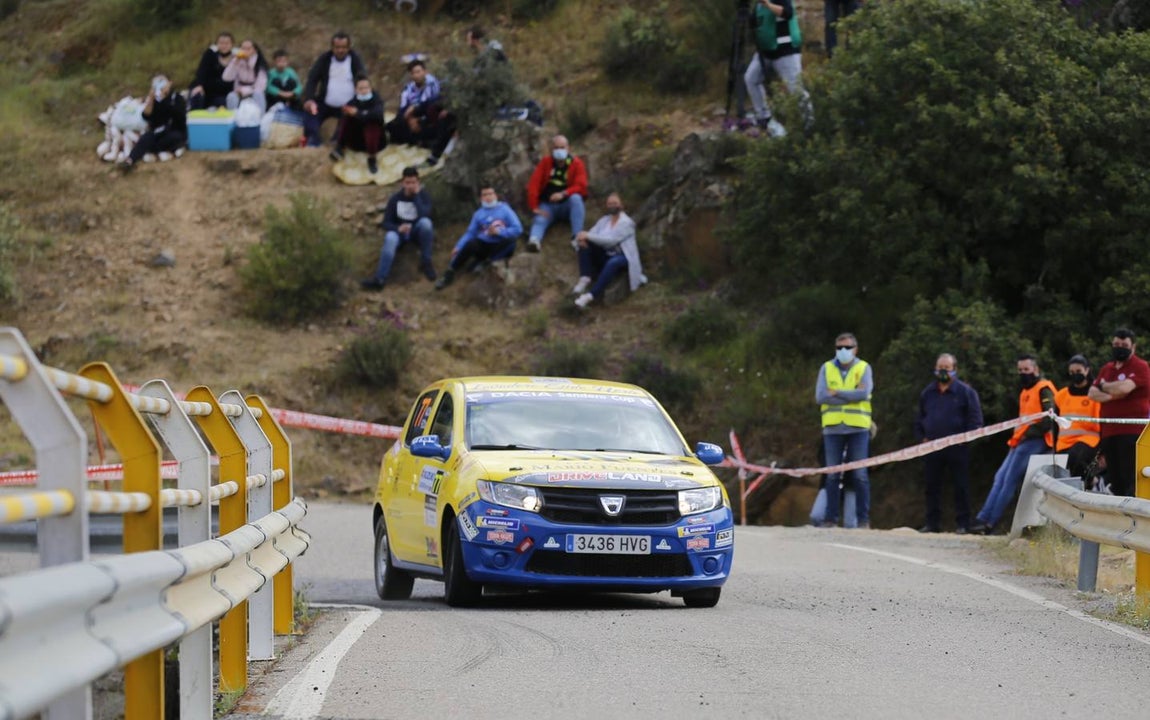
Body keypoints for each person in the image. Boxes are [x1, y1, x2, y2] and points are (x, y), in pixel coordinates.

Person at [969, 355, 1056, 534]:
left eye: (1026, 369)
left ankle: (988, 523)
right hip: (1019, 441)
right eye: (1020, 370)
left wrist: (1027, 434)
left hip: (1034, 440)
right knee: (999, 478)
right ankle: (982, 518)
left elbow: (1048, 421)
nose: (1023, 373)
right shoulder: (1025, 391)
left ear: (1036, 370)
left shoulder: (1044, 388)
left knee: (1009, 480)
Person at [913, 353, 984, 533]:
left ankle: (963, 524)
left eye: (947, 368)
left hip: (957, 448)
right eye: (940, 368)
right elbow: (919, 418)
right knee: (931, 486)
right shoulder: (927, 392)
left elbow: (975, 420)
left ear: (954, 370)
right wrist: (922, 438)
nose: (943, 371)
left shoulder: (966, 392)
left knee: (961, 486)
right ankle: (932, 524)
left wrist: (965, 439)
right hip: (932, 447)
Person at [814, 333, 872, 528]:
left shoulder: (863, 367)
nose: (843, 351)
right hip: (832, 428)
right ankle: (831, 519)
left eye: (847, 347)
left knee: (860, 474)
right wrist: (852, 394)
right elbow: (821, 397)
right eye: (839, 348)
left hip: (858, 427)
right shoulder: (827, 368)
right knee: (832, 474)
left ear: (855, 349)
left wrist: (837, 392)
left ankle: (863, 520)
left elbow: (864, 393)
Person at [1088, 329, 1150, 497]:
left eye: (1124, 345)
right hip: (1109, 431)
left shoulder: (1140, 366)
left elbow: (1125, 388)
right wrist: (1114, 393)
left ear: (1133, 347)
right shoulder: (1107, 368)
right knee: (1115, 479)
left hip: (1132, 431)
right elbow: (1092, 394)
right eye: (1116, 345)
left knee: (1131, 477)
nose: (1119, 348)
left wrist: (1103, 386)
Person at [744, 0, 812, 138]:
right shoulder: (757, 4)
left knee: (796, 89)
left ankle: (809, 125)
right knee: (751, 78)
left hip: (786, 52)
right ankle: (764, 117)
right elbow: (754, 22)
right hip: (766, 52)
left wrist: (767, 4)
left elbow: (787, 13)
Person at [435, 186, 523, 290]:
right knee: (471, 243)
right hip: (484, 244)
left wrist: (499, 232)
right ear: (481, 198)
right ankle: (449, 273)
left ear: (495, 195)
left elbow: (518, 229)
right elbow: (470, 233)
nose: (488, 197)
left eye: (490, 194)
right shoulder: (478, 214)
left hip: (500, 244)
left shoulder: (505, 210)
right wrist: (459, 246)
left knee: (511, 241)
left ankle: (486, 263)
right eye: (485, 195)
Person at [362, 166, 435, 291]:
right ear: (403, 183)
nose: (411, 185)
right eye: (408, 183)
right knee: (390, 237)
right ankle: (380, 279)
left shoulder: (423, 196)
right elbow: (386, 222)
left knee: (426, 223)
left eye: (413, 182)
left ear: (418, 183)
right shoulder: (395, 199)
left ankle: (426, 262)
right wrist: (398, 228)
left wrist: (416, 197)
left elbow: (425, 214)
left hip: (417, 231)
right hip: (400, 233)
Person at [571, 193, 646, 309]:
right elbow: (591, 233)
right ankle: (585, 278)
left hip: (623, 256)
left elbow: (611, 241)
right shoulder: (604, 221)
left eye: (615, 203)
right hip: (605, 254)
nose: (612, 206)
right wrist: (582, 238)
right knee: (584, 243)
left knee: (613, 262)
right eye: (609, 204)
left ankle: (590, 295)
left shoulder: (627, 223)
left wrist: (588, 236)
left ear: (621, 205)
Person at [385, 59, 456, 167]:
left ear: (425, 72)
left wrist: (415, 110)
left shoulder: (433, 84)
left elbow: (433, 103)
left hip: (428, 117)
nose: (417, 75)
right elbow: (402, 109)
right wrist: (409, 119)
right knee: (393, 126)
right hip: (413, 118)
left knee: (443, 120)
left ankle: (431, 150)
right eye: (414, 73)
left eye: (419, 71)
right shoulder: (408, 88)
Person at [302, 32, 368, 148]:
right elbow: (312, 79)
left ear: (348, 47)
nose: (340, 50)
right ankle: (314, 140)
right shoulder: (324, 59)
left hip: (347, 106)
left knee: (350, 123)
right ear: (332, 47)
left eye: (343, 47)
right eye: (337, 47)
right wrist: (309, 99)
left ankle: (336, 141)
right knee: (310, 113)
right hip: (325, 102)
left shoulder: (355, 60)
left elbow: (363, 79)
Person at [525, 135, 588, 253]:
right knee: (540, 219)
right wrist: (534, 206)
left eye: (562, 147)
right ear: (551, 149)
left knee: (576, 199)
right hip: (548, 205)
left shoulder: (576, 163)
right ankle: (534, 240)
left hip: (567, 204)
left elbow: (581, 185)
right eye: (556, 148)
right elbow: (534, 184)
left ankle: (577, 238)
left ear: (568, 148)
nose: (559, 150)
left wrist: (564, 193)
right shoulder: (546, 163)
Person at [120, 75, 187, 171]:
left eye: (163, 83)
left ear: (170, 83)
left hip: (173, 131)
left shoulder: (177, 98)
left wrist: (165, 100)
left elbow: (180, 116)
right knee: (147, 137)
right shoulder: (155, 100)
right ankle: (130, 161)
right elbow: (146, 116)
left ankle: (153, 148)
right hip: (157, 133)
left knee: (175, 137)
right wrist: (151, 99)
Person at [1055, 354, 1101, 480]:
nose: (1075, 374)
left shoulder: (1096, 394)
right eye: (1072, 372)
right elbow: (1055, 422)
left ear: (1087, 370)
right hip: (1064, 442)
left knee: (1076, 459)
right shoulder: (1061, 395)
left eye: (1078, 371)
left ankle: (1089, 482)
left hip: (1088, 438)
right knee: (1062, 471)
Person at [331, 75, 386, 174]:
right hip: (357, 141)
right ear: (356, 90)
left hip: (375, 142)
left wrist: (358, 113)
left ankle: (372, 159)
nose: (364, 91)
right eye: (361, 88)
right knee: (347, 116)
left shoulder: (376, 100)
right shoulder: (353, 102)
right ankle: (340, 148)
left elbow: (378, 114)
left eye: (366, 88)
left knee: (372, 123)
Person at [188, 32, 235, 111]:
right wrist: (199, 85)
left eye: (227, 43)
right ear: (217, 44)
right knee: (197, 95)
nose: (224, 46)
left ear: (232, 44)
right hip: (207, 90)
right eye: (221, 43)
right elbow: (201, 71)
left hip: (225, 92)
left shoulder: (236, 58)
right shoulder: (210, 54)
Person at [222, 39, 268, 114]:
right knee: (231, 96)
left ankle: (260, 118)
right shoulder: (237, 61)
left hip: (254, 90)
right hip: (238, 90)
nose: (245, 51)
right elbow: (226, 78)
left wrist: (245, 91)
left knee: (259, 95)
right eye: (243, 48)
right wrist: (235, 62)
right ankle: (233, 118)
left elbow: (261, 86)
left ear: (255, 50)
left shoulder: (260, 64)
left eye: (248, 48)